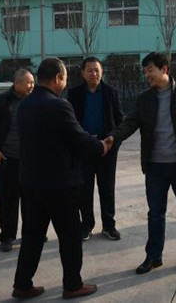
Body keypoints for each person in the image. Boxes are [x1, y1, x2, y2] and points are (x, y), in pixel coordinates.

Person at [11, 57, 110, 300]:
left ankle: (22, 284)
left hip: (30, 182)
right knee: (70, 237)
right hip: (60, 185)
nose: (65, 83)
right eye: (64, 78)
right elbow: (77, 138)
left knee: (32, 237)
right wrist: (100, 146)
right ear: (57, 78)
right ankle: (73, 285)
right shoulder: (58, 105)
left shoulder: (24, 105)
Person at [105, 52, 176, 275]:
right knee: (155, 214)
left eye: (150, 70)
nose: (147, 75)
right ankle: (153, 257)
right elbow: (130, 122)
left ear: (164, 69)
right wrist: (113, 137)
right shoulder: (144, 99)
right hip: (155, 167)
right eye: (145, 71)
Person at [68, 57, 124, 241]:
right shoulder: (74, 94)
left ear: (102, 72)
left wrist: (113, 141)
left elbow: (119, 120)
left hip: (107, 149)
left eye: (97, 70)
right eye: (90, 70)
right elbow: (71, 121)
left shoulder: (111, 93)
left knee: (107, 188)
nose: (94, 73)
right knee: (84, 189)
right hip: (84, 149)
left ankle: (109, 225)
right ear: (83, 73)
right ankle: (86, 225)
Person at [0, 68, 34, 252]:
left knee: (31, 201)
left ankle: (31, 235)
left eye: (33, 82)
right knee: (8, 202)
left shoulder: (34, 101)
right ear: (16, 83)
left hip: (29, 162)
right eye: (28, 82)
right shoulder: (1, 101)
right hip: (6, 160)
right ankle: (7, 237)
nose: (31, 86)